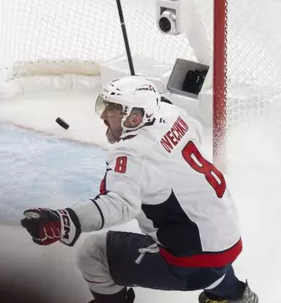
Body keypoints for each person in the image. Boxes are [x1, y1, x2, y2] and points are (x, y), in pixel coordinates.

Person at [20, 75, 258, 303]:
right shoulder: (172, 114)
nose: (103, 115)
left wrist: (65, 220)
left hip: (194, 259)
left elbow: (120, 205)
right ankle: (233, 294)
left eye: (111, 109)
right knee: (196, 233)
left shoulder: (132, 152)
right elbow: (190, 126)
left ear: (133, 118)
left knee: (92, 253)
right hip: (227, 234)